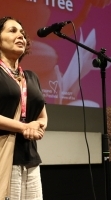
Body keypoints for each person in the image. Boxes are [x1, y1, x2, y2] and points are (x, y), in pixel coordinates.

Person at [0, 16, 48, 199]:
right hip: (4, 156)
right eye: (12, 31)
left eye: (22, 33)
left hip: (31, 159)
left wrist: (38, 126)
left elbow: (43, 116)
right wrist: (24, 127)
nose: (20, 35)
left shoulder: (31, 76)